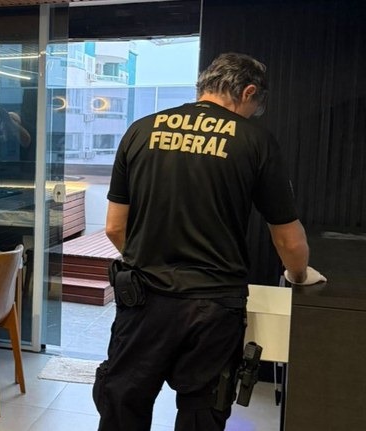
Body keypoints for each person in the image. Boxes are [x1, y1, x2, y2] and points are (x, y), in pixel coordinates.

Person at [92, 52, 326, 431]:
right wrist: (298, 275)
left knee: (122, 404)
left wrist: (149, 261)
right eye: (256, 106)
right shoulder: (255, 141)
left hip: (144, 298)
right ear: (248, 92)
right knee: (203, 413)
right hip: (215, 307)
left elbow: (115, 227)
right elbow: (287, 238)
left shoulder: (141, 130)